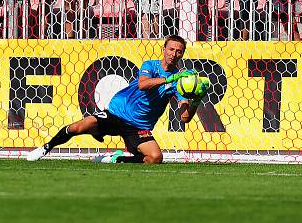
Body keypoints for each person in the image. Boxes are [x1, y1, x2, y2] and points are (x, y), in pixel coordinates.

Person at [26, 35, 207, 164]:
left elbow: (184, 118)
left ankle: (115, 158)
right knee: (77, 127)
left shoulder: (180, 82)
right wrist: (170, 79)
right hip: (117, 113)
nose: (174, 54)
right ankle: (46, 148)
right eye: (171, 49)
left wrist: (196, 100)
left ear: (182, 55)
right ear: (164, 49)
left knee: (155, 158)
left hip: (139, 127)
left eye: (179, 51)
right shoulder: (151, 65)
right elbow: (143, 85)